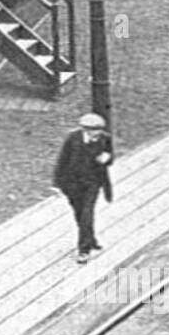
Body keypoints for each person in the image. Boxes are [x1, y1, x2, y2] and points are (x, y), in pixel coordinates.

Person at [53, 112, 114, 264]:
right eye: (94, 131)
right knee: (79, 213)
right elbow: (62, 161)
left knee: (87, 213)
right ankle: (90, 238)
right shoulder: (72, 139)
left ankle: (84, 250)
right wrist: (57, 184)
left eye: (99, 130)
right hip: (72, 184)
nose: (97, 134)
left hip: (92, 183)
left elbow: (110, 155)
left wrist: (107, 159)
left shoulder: (105, 138)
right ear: (85, 130)